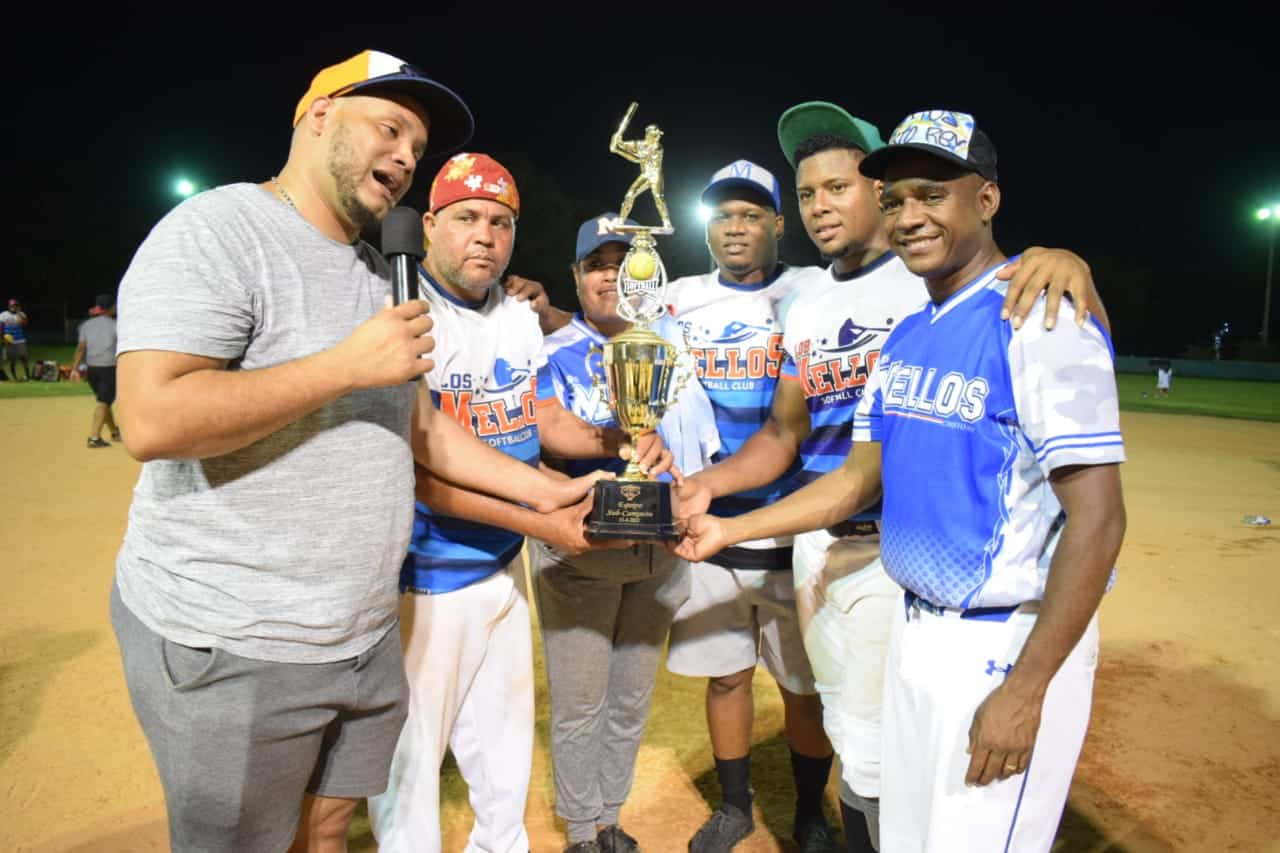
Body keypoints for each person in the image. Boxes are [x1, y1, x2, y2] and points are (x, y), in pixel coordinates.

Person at [111, 51, 596, 853]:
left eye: (418, 144)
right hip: (235, 634)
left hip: (361, 631)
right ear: (320, 116)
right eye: (391, 127)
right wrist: (345, 366)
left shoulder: (382, 273)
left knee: (330, 827)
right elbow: (152, 418)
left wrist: (550, 495)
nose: (408, 156)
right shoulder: (219, 229)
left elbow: (429, 432)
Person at [677, 109, 1127, 853]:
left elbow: (1100, 519)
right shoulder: (906, 331)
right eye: (897, 199)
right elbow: (850, 472)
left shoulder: (1035, 307)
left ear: (986, 198)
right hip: (904, 604)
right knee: (882, 783)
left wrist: (1025, 687)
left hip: (998, 628)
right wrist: (723, 520)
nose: (908, 214)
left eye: (930, 194)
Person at [368, 158, 660, 853]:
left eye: (500, 222)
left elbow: (541, 417)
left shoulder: (515, 314)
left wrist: (624, 436)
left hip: (503, 567)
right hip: (427, 577)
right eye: (467, 217)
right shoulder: (403, 313)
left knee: (504, 769)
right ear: (431, 224)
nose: (486, 236)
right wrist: (547, 512)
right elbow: (425, 471)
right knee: (409, 777)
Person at [662, 159, 843, 852]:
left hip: (794, 523)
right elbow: (613, 337)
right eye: (722, 215)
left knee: (803, 688)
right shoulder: (677, 297)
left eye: (750, 214)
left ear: (778, 223)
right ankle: (736, 807)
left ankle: (808, 811)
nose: (735, 227)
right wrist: (543, 305)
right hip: (706, 526)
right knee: (726, 675)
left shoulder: (816, 289)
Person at [530, 214, 719, 853]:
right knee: (582, 702)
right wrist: (623, 437)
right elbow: (547, 438)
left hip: (660, 548)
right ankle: (582, 830)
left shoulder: (670, 346)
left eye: (623, 263)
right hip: (582, 550)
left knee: (633, 696)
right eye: (597, 265)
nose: (613, 275)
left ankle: (611, 817)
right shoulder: (550, 352)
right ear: (578, 279)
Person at [71, 293, 120, 447]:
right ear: (112, 307)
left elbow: (81, 349)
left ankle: (114, 431)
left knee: (104, 401)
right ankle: (94, 437)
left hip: (92, 370)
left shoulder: (86, 325)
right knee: (103, 402)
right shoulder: (116, 325)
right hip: (109, 369)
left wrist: (75, 369)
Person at [0, 297, 31, 381]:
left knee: (24, 358)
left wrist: (19, 313)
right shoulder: (3, 315)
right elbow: (1, 328)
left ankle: (28, 376)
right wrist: (3, 339)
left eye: (15, 305)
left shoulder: (21, 314)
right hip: (9, 341)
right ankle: (14, 377)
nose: (14, 307)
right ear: (9, 306)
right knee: (13, 360)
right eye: (12, 305)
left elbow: (25, 324)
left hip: (20, 340)